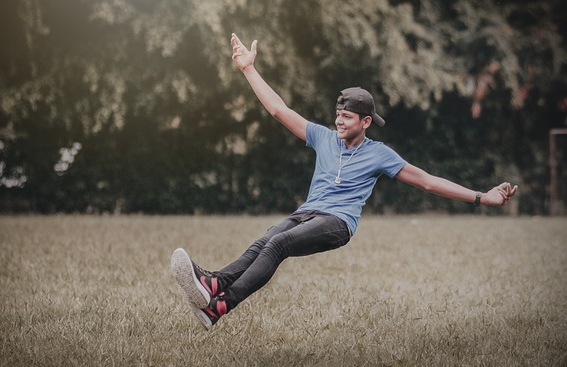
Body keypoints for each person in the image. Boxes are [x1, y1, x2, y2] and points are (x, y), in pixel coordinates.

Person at [171, 33, 518, 330]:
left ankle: (218, 306)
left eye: (347, 117)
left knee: (278, 246)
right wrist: (248, 69)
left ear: (365, 121)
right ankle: (214, 282)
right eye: (337, 114)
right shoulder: (323, 138)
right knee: (267, 239)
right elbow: (279, 110)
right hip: (307, 211)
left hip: (337, 223)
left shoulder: (379, 154)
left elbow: (426, 181)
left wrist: (481, 198)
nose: (339, 121)